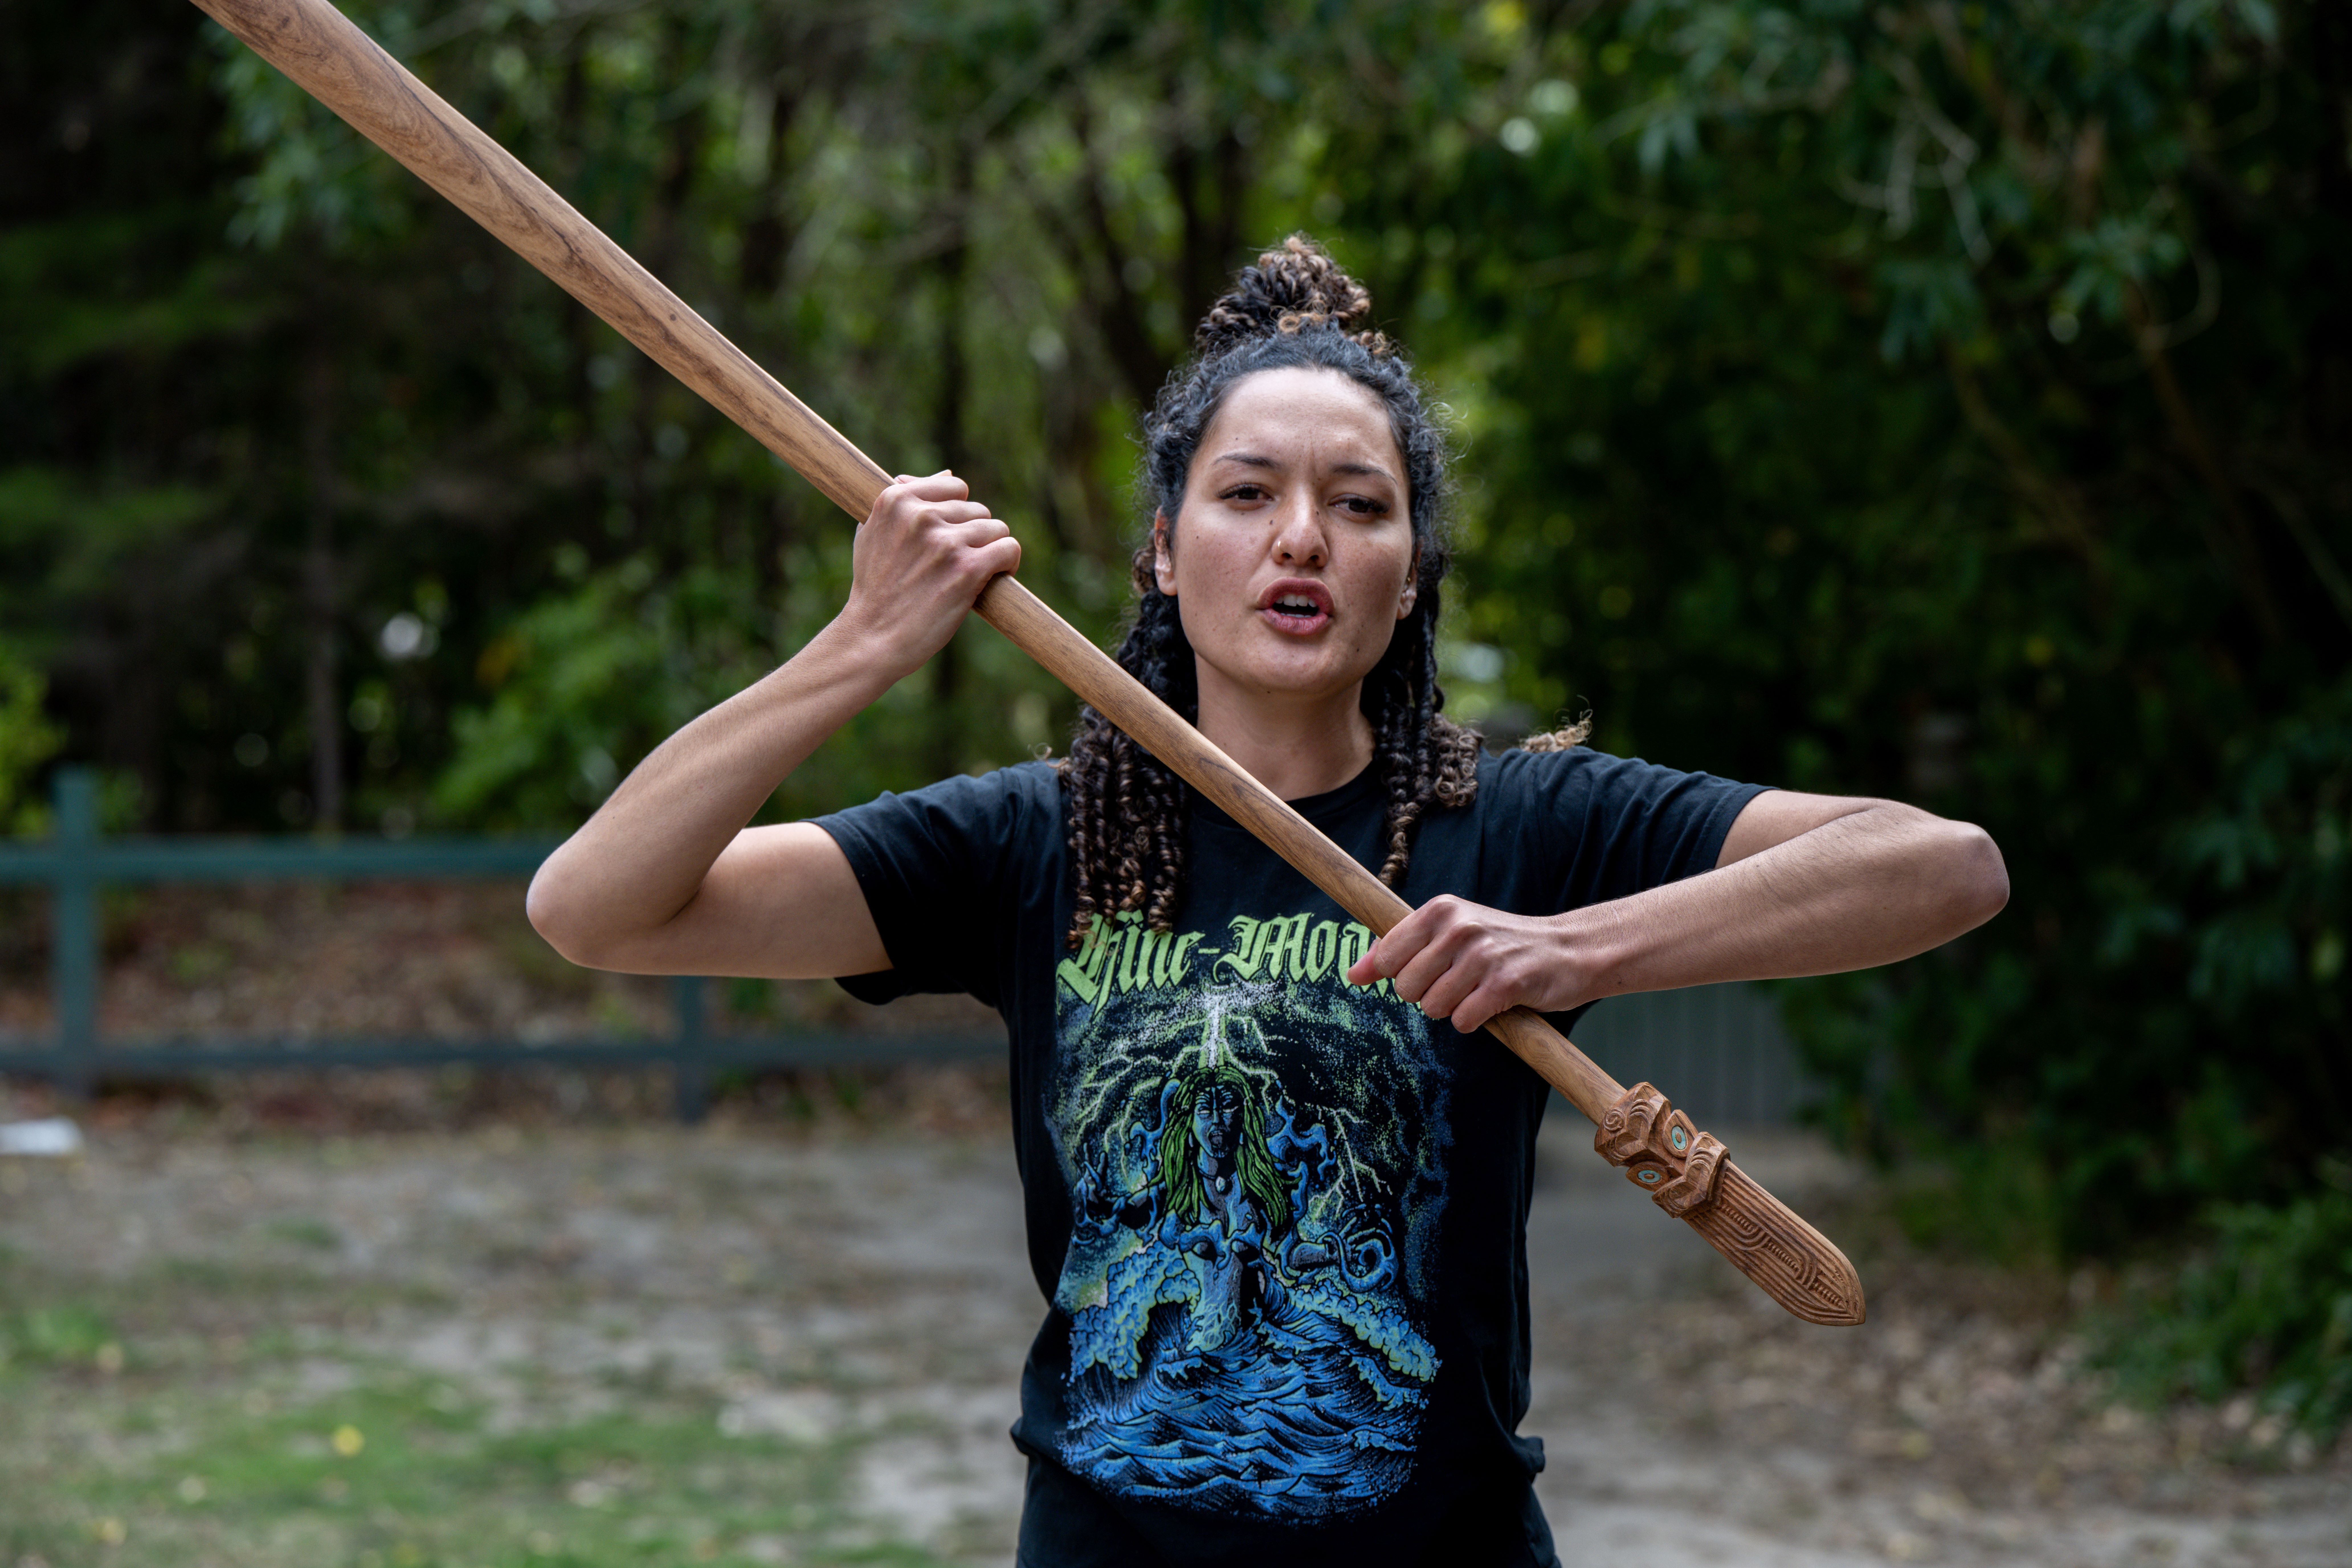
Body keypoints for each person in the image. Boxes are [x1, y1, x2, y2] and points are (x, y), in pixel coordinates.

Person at [526, 236, 2009, 1566]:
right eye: (1247, 495)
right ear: (1164, 555)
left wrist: (1571, 944)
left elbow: (1941, 866)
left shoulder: (1524, 825)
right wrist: (859, 646)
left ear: (1409, 575)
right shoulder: (1036, 842)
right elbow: (599, 911)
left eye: (1358, 506)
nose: (1302, 535)